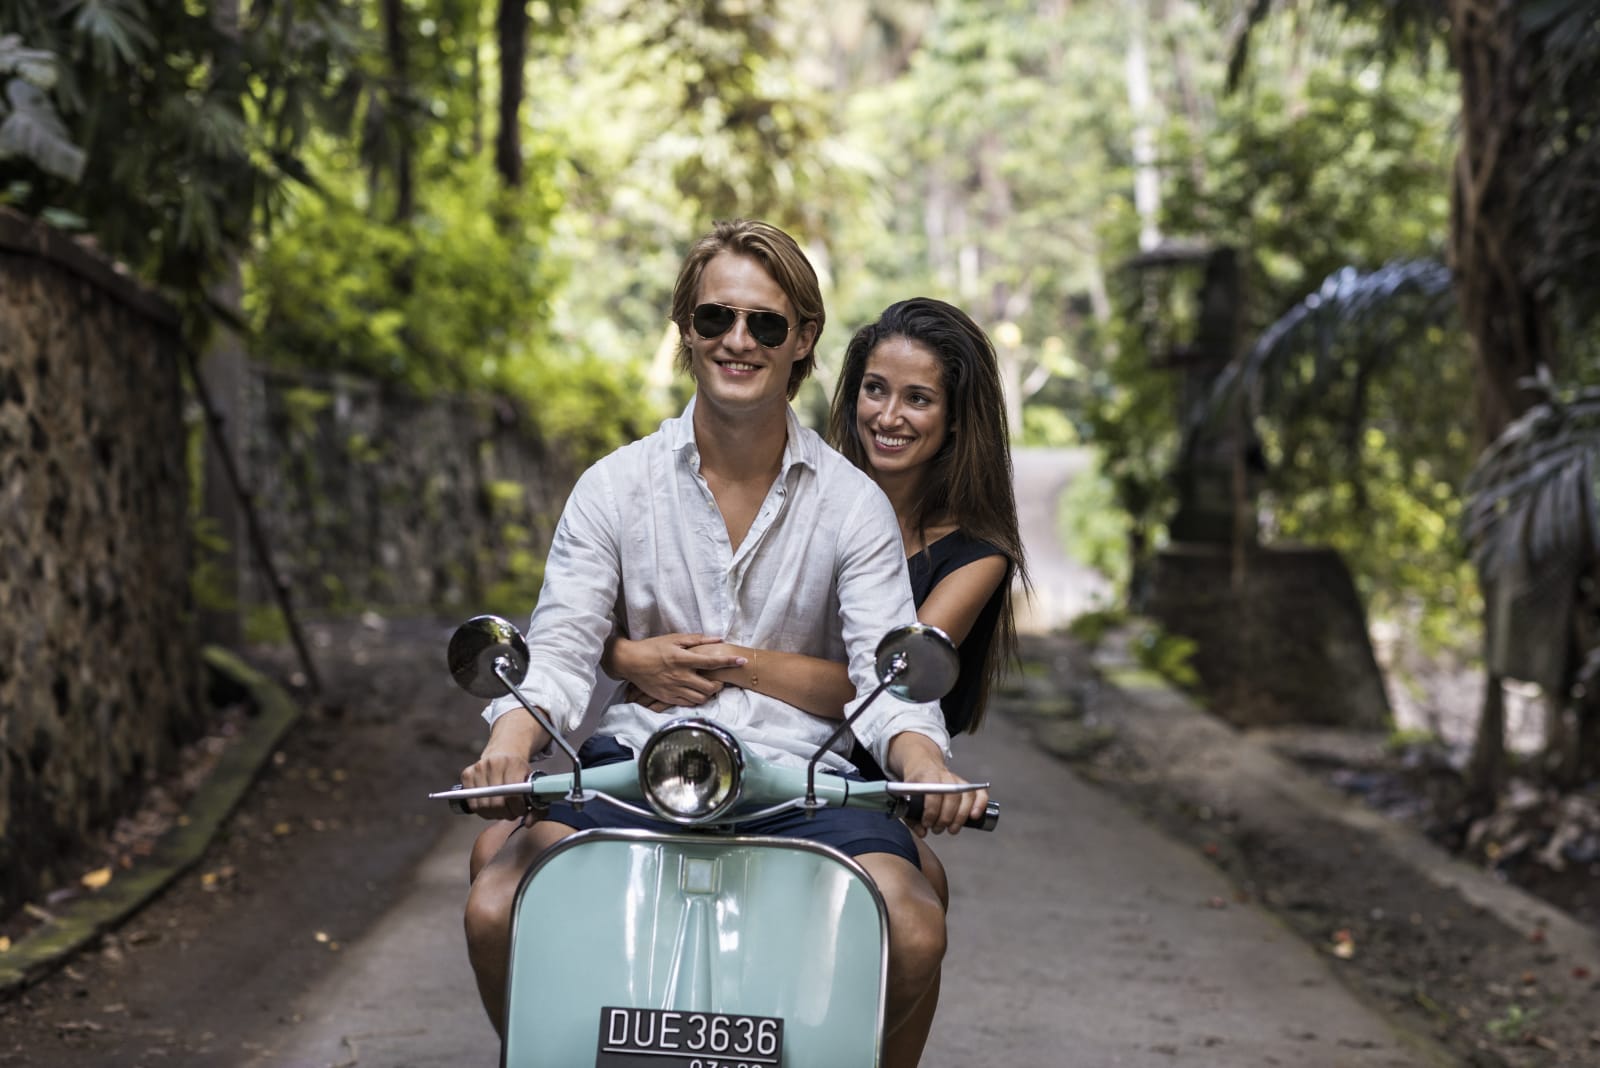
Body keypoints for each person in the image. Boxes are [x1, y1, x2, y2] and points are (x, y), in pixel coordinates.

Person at [459, 220, 988, 1062]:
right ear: (686, 330)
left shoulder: (852, 505)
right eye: (716, 320)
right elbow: (559, 647)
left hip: (805, 785)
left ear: (802, 339)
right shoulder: (614, 485)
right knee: (495, 910)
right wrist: (513, 741)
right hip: (640, 763)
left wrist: (924, 762)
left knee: (915, 931)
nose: (738, 341)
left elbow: (890, 673)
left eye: (765, 324)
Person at [597, 296, 1028, 1067]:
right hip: (728, 751)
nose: (888, 415)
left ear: (956, 419)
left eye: (918, 398)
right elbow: (641, 616)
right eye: (874, 389)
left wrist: (722, 658)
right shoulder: (796, 488)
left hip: (863, 777)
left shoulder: (974, 554)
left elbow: (878, 684)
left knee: (916, 915)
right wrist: (625, 658)